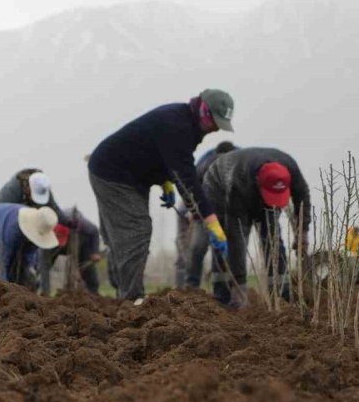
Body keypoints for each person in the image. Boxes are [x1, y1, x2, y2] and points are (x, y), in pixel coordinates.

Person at [88, 89, 235, 303]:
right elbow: (188, 180)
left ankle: (124, 294)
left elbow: (163, 157)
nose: (215, 130)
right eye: (215, 123)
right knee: (137, 231)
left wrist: (165, 182)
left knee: (124, 238)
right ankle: (131, 299)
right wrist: (213, 224)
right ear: (204, 111)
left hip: (131, 176)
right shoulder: (177, 125)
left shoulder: (187, 124)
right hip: (113, 175)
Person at [202, 147, 311, 307]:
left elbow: (303, 198)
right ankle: (225, 295)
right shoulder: (238, 183)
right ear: (258, 184)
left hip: (254, 186)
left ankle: (281, 293)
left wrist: (302, 232)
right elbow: (236, 237)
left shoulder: (290, 169)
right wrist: (240, 287)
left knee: (273, 240)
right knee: (226, 242)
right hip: (219, 185)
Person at [174, 140, 239, 288]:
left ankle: (221, 291)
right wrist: (193, 212)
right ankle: (190, 287)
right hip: (200, 208)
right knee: (197, 247)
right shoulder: (205, 166)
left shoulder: (240, 163)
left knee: (221, 249)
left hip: (225, 210)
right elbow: (193, 192)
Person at [0, 168, 68, 290]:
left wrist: (70, 222)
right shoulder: (11, 191)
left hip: (26, 230)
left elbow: (54, 208)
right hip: (3, 228)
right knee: (1, 265)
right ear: (27, 188)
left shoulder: (43, 187)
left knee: (24, 270)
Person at [0, 204, 59, 287]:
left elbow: (29, 257)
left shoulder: (37, 226)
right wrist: (4, 293)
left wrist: (31, 271)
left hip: (1, 230)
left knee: (19, 275)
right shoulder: (10, 229)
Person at [40, 207, 103, 295]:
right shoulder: (50, 223)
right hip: (53, 243)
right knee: (44, 264)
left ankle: (93, 294)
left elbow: (94, 231)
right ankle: (43, 292)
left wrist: (95, 252)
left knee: (88, 269)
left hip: (79, 242)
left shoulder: (83, 225)